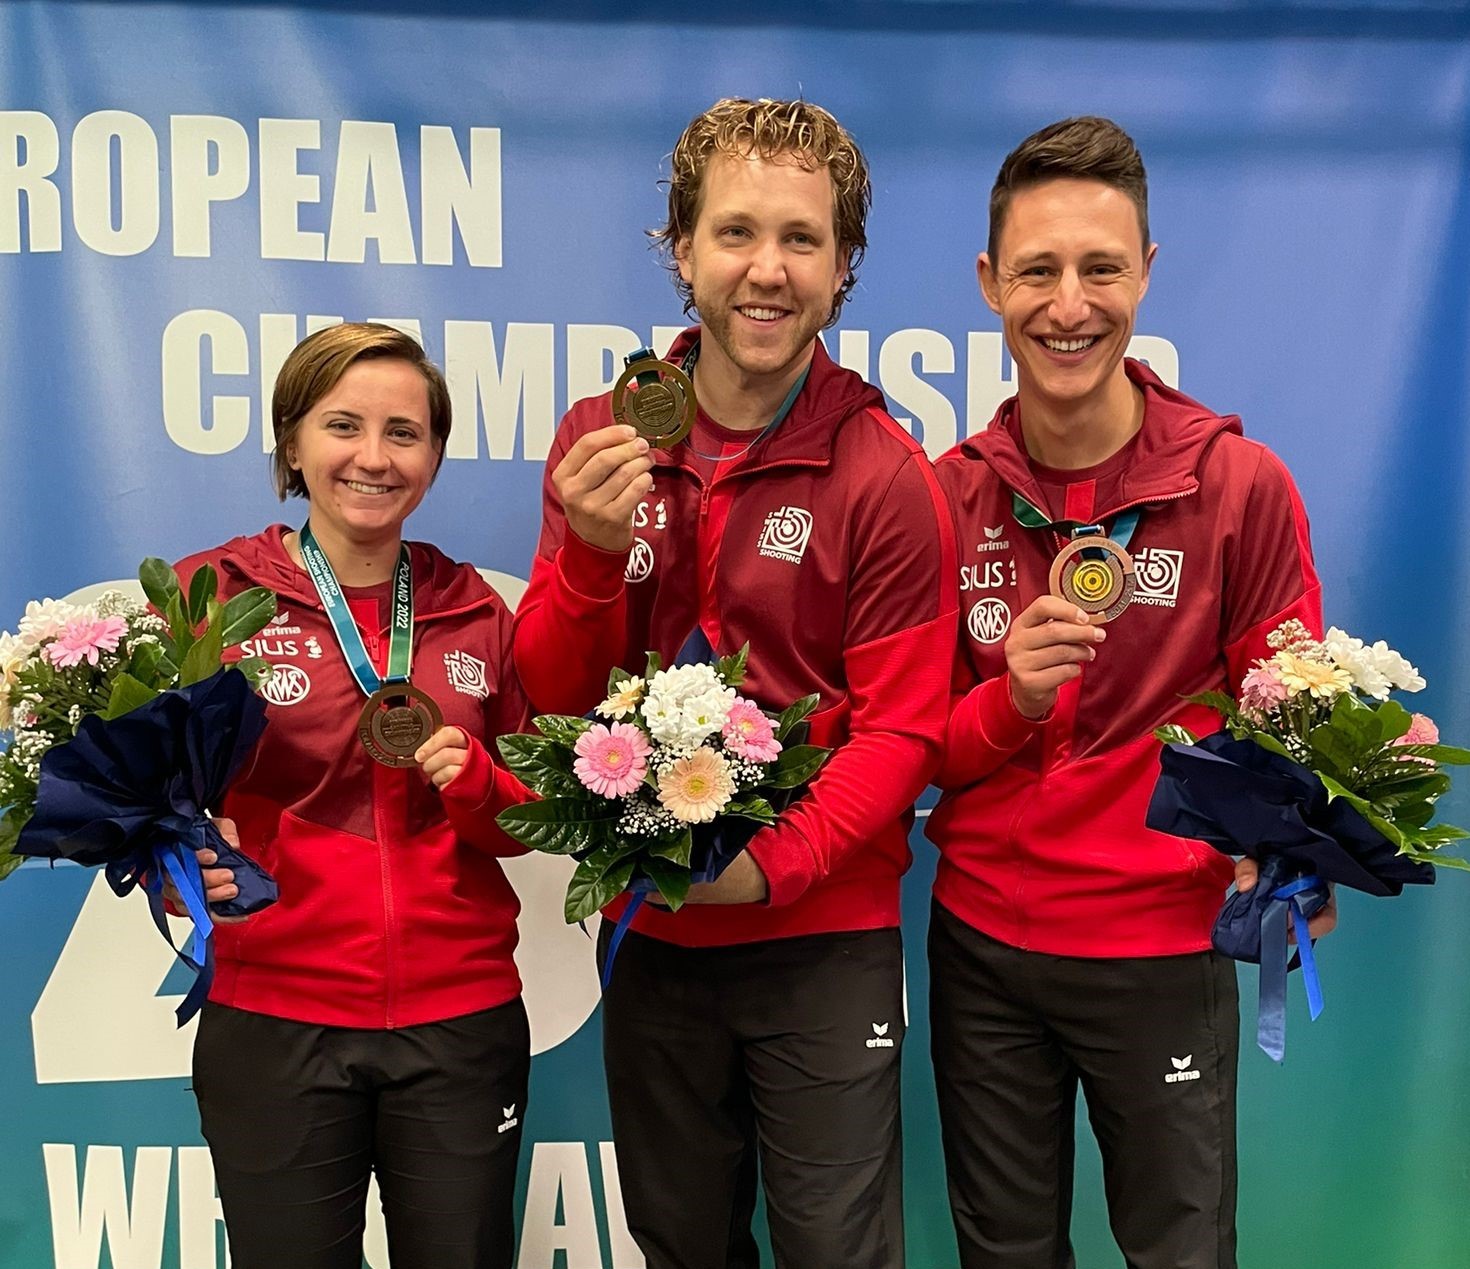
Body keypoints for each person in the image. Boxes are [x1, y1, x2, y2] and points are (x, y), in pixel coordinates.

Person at [513, 97, 956, 1269]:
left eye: (802, 239)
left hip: (822, 938)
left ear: (845, 264)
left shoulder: (888, 473)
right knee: (681, 1244)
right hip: (652, 931)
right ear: (682, 249)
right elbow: (550, 705)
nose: (767, 270)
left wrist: (769, 870)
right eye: (735, 234)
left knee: (836, 1251)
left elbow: (906, 728)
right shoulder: (600, 435)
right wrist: (594, 556)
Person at [926, 116, 1337, 1269]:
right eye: (1039, 270)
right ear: (988, 283)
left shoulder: (1238, 485)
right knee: (1004, 1253)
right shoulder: (942, 498)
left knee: (1180, 1252)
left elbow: (1288, 709)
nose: (1070, 304)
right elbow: (922, 750)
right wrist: (1008, 698)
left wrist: (1311, 847)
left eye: (1102, 268)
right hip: (986, 949)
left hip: (1164, 944)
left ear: (1147, 273)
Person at [174, 323, 534, 1269]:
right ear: (292, 441)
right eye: (343, 425)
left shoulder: (476, 609)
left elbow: (522, 828)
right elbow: (145, 804)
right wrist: (178, 861)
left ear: (435, 455)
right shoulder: (211, 596)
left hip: (460, 1023)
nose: (374, 457)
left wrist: (477, 784)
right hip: (276, 1020)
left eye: (404, 432)